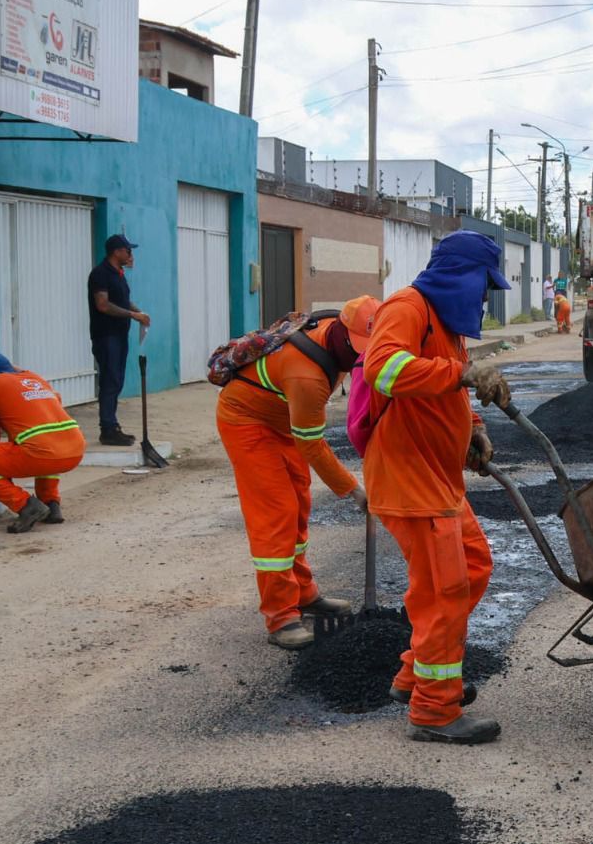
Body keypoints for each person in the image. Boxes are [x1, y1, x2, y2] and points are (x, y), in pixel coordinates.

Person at [364, 230, 512, 746]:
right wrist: (463, 375)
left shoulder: (446, 325)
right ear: (461, 275)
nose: (484, 298)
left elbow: (450, 387)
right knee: (445, 591)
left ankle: (416, 676)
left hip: (437, 478)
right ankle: (434, 709)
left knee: (471, 567)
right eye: (483, 285)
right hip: (410, 480)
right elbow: (383, 370)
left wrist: (474, 428)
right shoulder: (407, 307)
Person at [217, 298, 379, 649]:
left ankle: (304, 593)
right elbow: (312, 445)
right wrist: (353, 489)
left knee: (299, 506)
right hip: (248, 422)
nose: (361, 357)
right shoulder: (306, 374)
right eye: (360, 348)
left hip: (284, 421)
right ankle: (281, 615)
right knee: (277, 514)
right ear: (343, 331)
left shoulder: (335, 342)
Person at [0, 352, 86, 533]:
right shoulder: (35, 378)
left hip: (42, 453)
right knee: (43, 444)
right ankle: (51, 504)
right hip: (75, 450)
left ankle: (26, 505)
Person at [87, 234, 150, 446]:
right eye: (128, 250)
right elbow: (103, 305)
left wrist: (138, 311)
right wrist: (133, 316)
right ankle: (107, 428)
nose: (130, 255)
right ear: (117, 251)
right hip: (106, 336)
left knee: (117, 379)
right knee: (110, 380)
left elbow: (122, 299)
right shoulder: (100, 274)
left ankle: (112, 425)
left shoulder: (118, 274)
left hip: (119, 334)